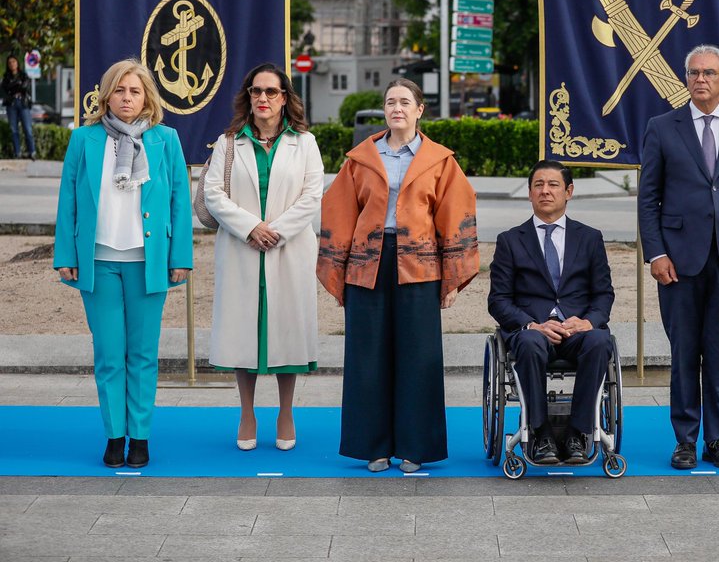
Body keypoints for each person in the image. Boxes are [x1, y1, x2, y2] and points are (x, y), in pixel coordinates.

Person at [317, 78, 479, 473]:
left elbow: (455, 213)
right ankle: (373, 446)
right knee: (366, 356)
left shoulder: (440, 160)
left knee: (419, 357)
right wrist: (338, 274)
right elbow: (338, 213)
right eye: (391, 102)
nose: (397, 108)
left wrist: (452, 279)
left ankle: (413, 447)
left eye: (405, 102)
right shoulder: (360, 158)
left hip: (420, 265)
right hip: (368, 262)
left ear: (420, 110)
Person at [52, 59, 192, 468]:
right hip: (98, 261)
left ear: (147, 95)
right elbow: (69, 201)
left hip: (148, 262)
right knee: (109, 354)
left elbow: (179, 202)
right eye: (119, 90)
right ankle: (115, 436)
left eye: (134, 91)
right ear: (106, 96)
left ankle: (141, 438)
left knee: (144, 355)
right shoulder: (84, 139)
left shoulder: (166, 140)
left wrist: (179, 257)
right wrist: (66, 256)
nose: (127, 98)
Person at [638, 44, 719, 470]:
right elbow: (649, 199)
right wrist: (655, 253)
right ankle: (684, 441)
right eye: (694, 72)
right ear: (685, 78)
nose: (701, 79)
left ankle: (717, 439)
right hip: (677, 261)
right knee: (683, 354)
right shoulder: (662, 127)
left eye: (709, 73)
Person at [204, 63, 324, 452]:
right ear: (248, 97)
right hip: (243, 248)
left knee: (286, 328)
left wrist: (277, 230)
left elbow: (312, 195)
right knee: (245, 330)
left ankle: (286, 412)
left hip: (288, 250)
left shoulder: (304, 142)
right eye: (257, 91)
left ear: (285, 98)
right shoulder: (228, 142)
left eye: (271, 92)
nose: (263, 99)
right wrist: (251, 227)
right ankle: (247, 413)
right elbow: (213, 195)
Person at [488, 160, 616, 465]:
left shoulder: (589, 238)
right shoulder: (510, 240)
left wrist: (587, 322)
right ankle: (540, 431)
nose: (545, 191)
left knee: (600, 342)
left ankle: (578, 432)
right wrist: (531, 324)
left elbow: (603, 294)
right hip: (532, 331)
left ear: (569, 191)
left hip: (576, 329)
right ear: (530, 193)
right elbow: (498, 300)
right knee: (530, 344)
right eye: (538, 185)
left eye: (553, 185)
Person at [2, 54, 36, 159]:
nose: (12, 64)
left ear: (17, 63)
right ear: (8, 65)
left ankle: (32, 152)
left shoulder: (23, 75)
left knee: (27, 128)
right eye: (10, 63)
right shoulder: (6, 77)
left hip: (23, 103)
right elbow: (4, 90)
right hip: (11, 104)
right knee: (14, 129)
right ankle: (18, 153)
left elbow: (25, 87)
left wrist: (13, 86)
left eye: (14, 62)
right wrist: (17, 85)